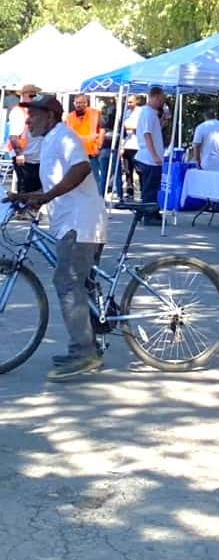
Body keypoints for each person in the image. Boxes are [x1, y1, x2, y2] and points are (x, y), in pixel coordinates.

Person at [11, 94, 108, 381]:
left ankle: (83, 352)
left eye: (35, 115)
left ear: (50, 117)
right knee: (82, 284)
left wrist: (47, 195)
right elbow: (54, 181)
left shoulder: (64, 137)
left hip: (81, 223)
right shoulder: (51, 141)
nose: (28, 120)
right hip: (75, 222)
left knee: (67, 281)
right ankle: (90, 344)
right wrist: (26, 196)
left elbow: (81, 169)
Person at [134, 86, 166, 225]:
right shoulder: (147, 113)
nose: (161, 102)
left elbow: (152, 130)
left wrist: (163, 120)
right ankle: (148, 215)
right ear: (154, 97)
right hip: (149, 158)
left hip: (149, 157)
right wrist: (154, 155)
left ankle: (149, 212)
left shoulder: (150, 113)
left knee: (151, 187)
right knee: (150, 188)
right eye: (160, 99)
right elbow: (147, 134)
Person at [7, 84, 43, 196]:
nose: (33, 97)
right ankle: (21, 211)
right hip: (24, 158)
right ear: (23, 96)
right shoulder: (18, 112)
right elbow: (13, 136)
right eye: (31, 94)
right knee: (25, 189)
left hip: (36, 157)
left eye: (35, 94)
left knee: (35, 189)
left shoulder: (36, 111)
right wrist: (19, 154)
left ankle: (29, 211)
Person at [65, 94, 105, 191]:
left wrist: (99, 146)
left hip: (92, 153)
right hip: (75, 154)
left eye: (82, 103)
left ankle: (97, 200)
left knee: (95, 179)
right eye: (77, 103)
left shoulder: (95, 114)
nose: (79, 105)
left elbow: (102, 129)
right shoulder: (69, 117)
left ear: (86, 103)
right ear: (74, 103)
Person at [118, 94, 142, 201]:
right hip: (127, 145)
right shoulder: (126, 113)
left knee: (139, 169)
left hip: (137, 145)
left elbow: (142, 126)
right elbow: (122, 129)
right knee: (128, 170)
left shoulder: (141, 112)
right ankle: (129, 190)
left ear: (136, 102)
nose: (129, 104)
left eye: (131, 102)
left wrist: (131, 127)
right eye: (127, 102)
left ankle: (142, 190)